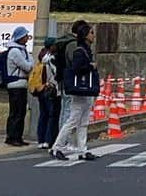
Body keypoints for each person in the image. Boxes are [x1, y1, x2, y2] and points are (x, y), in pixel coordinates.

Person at [52, 23, 100, 161]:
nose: (93, 35)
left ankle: (82, 150)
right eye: (91, 33)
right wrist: (90, 66)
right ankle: (57, 147)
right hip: (80, 90)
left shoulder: (84, 49)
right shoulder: (80, 51)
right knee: (73, 120)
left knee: (83, 121)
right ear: (85, 35)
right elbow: (76, 68)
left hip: (83, 91)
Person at [3, 27, 33, 146]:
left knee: (21, 112)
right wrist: (29, 65)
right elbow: (27, 66)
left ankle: (18, 137)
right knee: (16, 112)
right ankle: (12, 137)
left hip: (22, 84)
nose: (27, 38)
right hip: (15, 85)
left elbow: (31, 63)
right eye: (25, 36)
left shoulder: (23, 50)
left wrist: (29, 64)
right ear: (20, 37)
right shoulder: (15, 51)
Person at [30, 40, 60, 150]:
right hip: (50, 89)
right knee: (52, 115)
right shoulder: (50, 59)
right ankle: (48, 140)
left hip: (40, 90)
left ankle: (41, 140)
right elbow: (55, 74)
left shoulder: (41, 57)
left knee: (43, 115)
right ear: (51, 46)